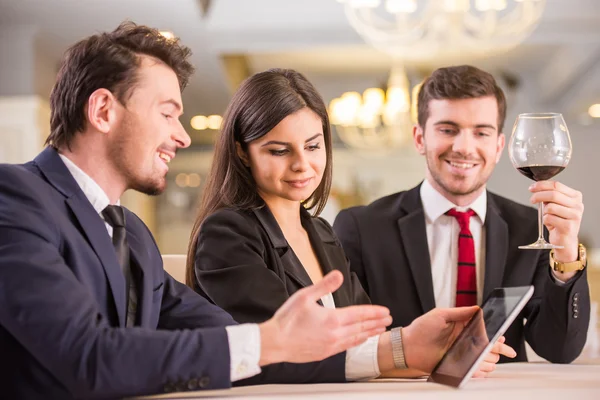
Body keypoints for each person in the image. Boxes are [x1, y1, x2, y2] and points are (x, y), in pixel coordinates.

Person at [0, 23, 397, 399]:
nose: (182, 135)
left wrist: (398, 348)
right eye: (167, 113)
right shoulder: (15, 198)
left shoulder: (133, 234)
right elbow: (86, 355)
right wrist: (269, 340)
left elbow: (233, 340)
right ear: (104, 110)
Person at [186, 68, 515, 383]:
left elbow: (364, 341)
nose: (302, 165)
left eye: (313, 146)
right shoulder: (226, 235)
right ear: (243, 153)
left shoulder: (321, 233)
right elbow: (281, 350)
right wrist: (405, 347)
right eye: (279, 151)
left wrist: (436, 349)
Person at [333, 65, 590, 364]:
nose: (464, 147)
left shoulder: (529, 229)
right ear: (419, 138)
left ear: (498, 146)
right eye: (447, 130)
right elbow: (344, 342)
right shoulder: (361, 227)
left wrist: (567, 250)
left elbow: (559, 350)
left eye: (481, 132)